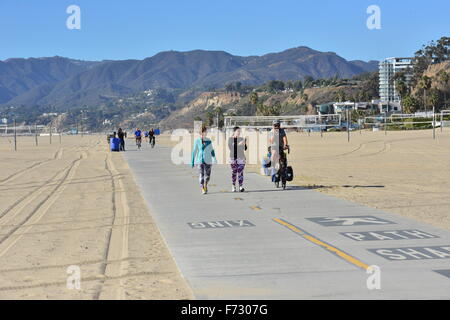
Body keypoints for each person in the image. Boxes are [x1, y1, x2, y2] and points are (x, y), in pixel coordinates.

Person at [191, 126, 216, 195]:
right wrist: (192, 161)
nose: (205, 133)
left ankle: (205, 185)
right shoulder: (197, 141)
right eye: (204, 132)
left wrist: (214, 158)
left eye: (206, 131)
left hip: (208, 160)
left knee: (207, 176)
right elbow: (194, 151)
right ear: (201, 133)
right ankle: (203, 188)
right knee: (201, 175)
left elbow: (212, 150)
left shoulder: (209, 140)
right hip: (200, 161)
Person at [228, 126, 247, 192]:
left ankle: (241, 186)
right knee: (234, 172)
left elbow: (245, 148)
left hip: (241, 157)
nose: (239, 133)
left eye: (240, 131)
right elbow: (231, 147)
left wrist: (244, 143)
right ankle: (233, 186)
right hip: (233, 158)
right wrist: (239, 144)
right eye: (238, 131)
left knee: (240, 172)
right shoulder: (230, 139)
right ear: (234, 132)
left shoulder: (241, 138)